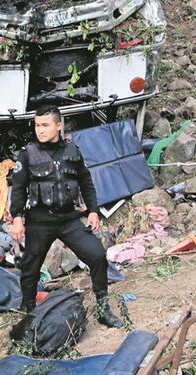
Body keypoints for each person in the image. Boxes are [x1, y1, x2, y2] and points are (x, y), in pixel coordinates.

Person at [8, 106, 124, 331]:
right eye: (37, 125)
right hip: (40, 221)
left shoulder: (72, 150)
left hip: (69, 219)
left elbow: (86, 181)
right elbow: (19, 189)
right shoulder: (28, 154)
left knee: (97, 255)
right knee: (30, 268)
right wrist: (18, 218)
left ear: (58, 126)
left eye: (45, 125)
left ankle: (103, 310)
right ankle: (29, 312)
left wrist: (93, 210)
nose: (39, 130)